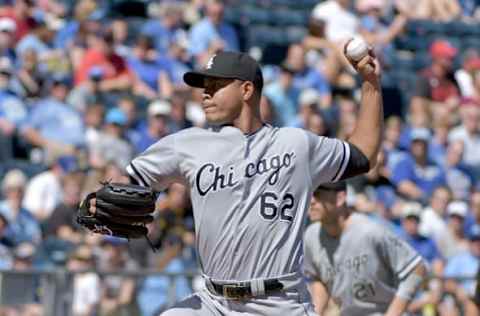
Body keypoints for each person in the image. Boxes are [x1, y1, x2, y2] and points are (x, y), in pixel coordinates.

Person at [86, 46, 383, 315]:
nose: (205, 94)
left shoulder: (296, 145)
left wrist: (370, 85)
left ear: (246, 90)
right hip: (214, 303)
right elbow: (130, 179)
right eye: (204, 87)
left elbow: (363, 154)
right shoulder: (187, 144)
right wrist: (100, 196)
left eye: (215, 86)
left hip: (281, 303)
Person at [304, 181, 427, 315]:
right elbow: (318, 278)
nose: (311, 201)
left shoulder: (369, 231)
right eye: (309, 193)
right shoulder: (311, 236)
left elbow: (417, 268)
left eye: (318, 194)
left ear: (340, 198)